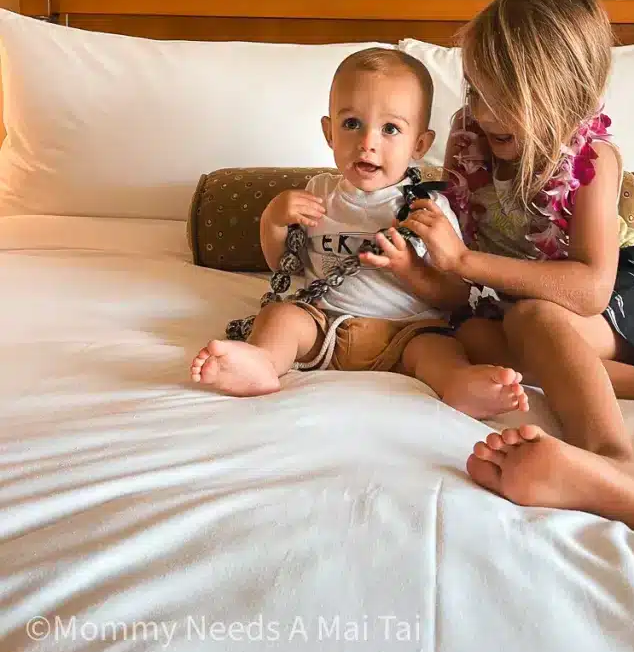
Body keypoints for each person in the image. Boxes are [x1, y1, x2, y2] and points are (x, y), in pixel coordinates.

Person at [401, 0, 634, 531]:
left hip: (618, 308)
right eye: (475, 90)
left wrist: (466, 265)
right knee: (472, 338)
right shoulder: (466, 135)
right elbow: (461, 226)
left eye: (506, 98)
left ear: (563, 97)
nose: (485, 112)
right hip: (512, 300)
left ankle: (620, 464)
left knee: (534, 317)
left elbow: (590, 286)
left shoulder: (594, 159)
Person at [190, 48, 528, 420]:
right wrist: (272, 220)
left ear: (419, 144)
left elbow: (455, 295)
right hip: (323, 324)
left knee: (441, 351)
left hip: (405, 331)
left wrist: (409, 268)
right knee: (281, 316)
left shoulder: (426, 208)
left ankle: (459, 384)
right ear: (328, 132)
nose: (368, 142)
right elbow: (282, 265)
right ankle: (263, 361)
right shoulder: (316, 192)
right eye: (352, 123)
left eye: (391, 129)